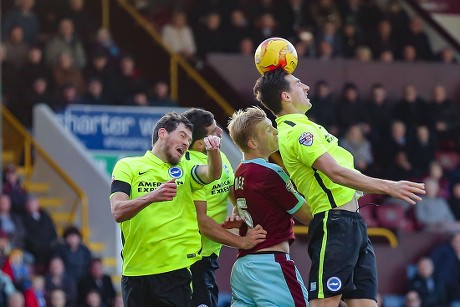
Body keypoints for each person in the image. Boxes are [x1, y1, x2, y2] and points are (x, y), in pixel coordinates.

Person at [253, 68, 426, 306]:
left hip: (353, 224)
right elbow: (334, 172)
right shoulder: (297, 131)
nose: (306, 87)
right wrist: (388, 186)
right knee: (324, 303)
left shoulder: (307, 126)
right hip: (334, 224)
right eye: (298, 83)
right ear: (285, 96)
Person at [110, 112, 264, 306]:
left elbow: (211, 174)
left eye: (189, 139)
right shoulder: (128, 166)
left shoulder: (188, 168)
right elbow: (118, 211)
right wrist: (152, 196)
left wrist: (214, 151)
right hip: (134, 271)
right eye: (182, 135)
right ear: (163, 133)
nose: (186, 142)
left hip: (176, 269)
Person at [226, 106, 312, 306]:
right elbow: (307, 215)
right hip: (269, 265)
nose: (276, 131)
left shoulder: (240, 172)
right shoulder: (270, 172)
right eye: (268, 129)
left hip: (243, 268)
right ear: (253, 143)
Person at [182, 108, 250, 307]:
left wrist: (240, 215)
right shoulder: (189, 168)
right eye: (213, 131)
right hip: (190, 259)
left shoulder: (219, 157)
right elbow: (202, 223)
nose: (220, 132)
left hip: (210, 256)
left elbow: (236, 198)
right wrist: (242, 242)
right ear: (200, 143)